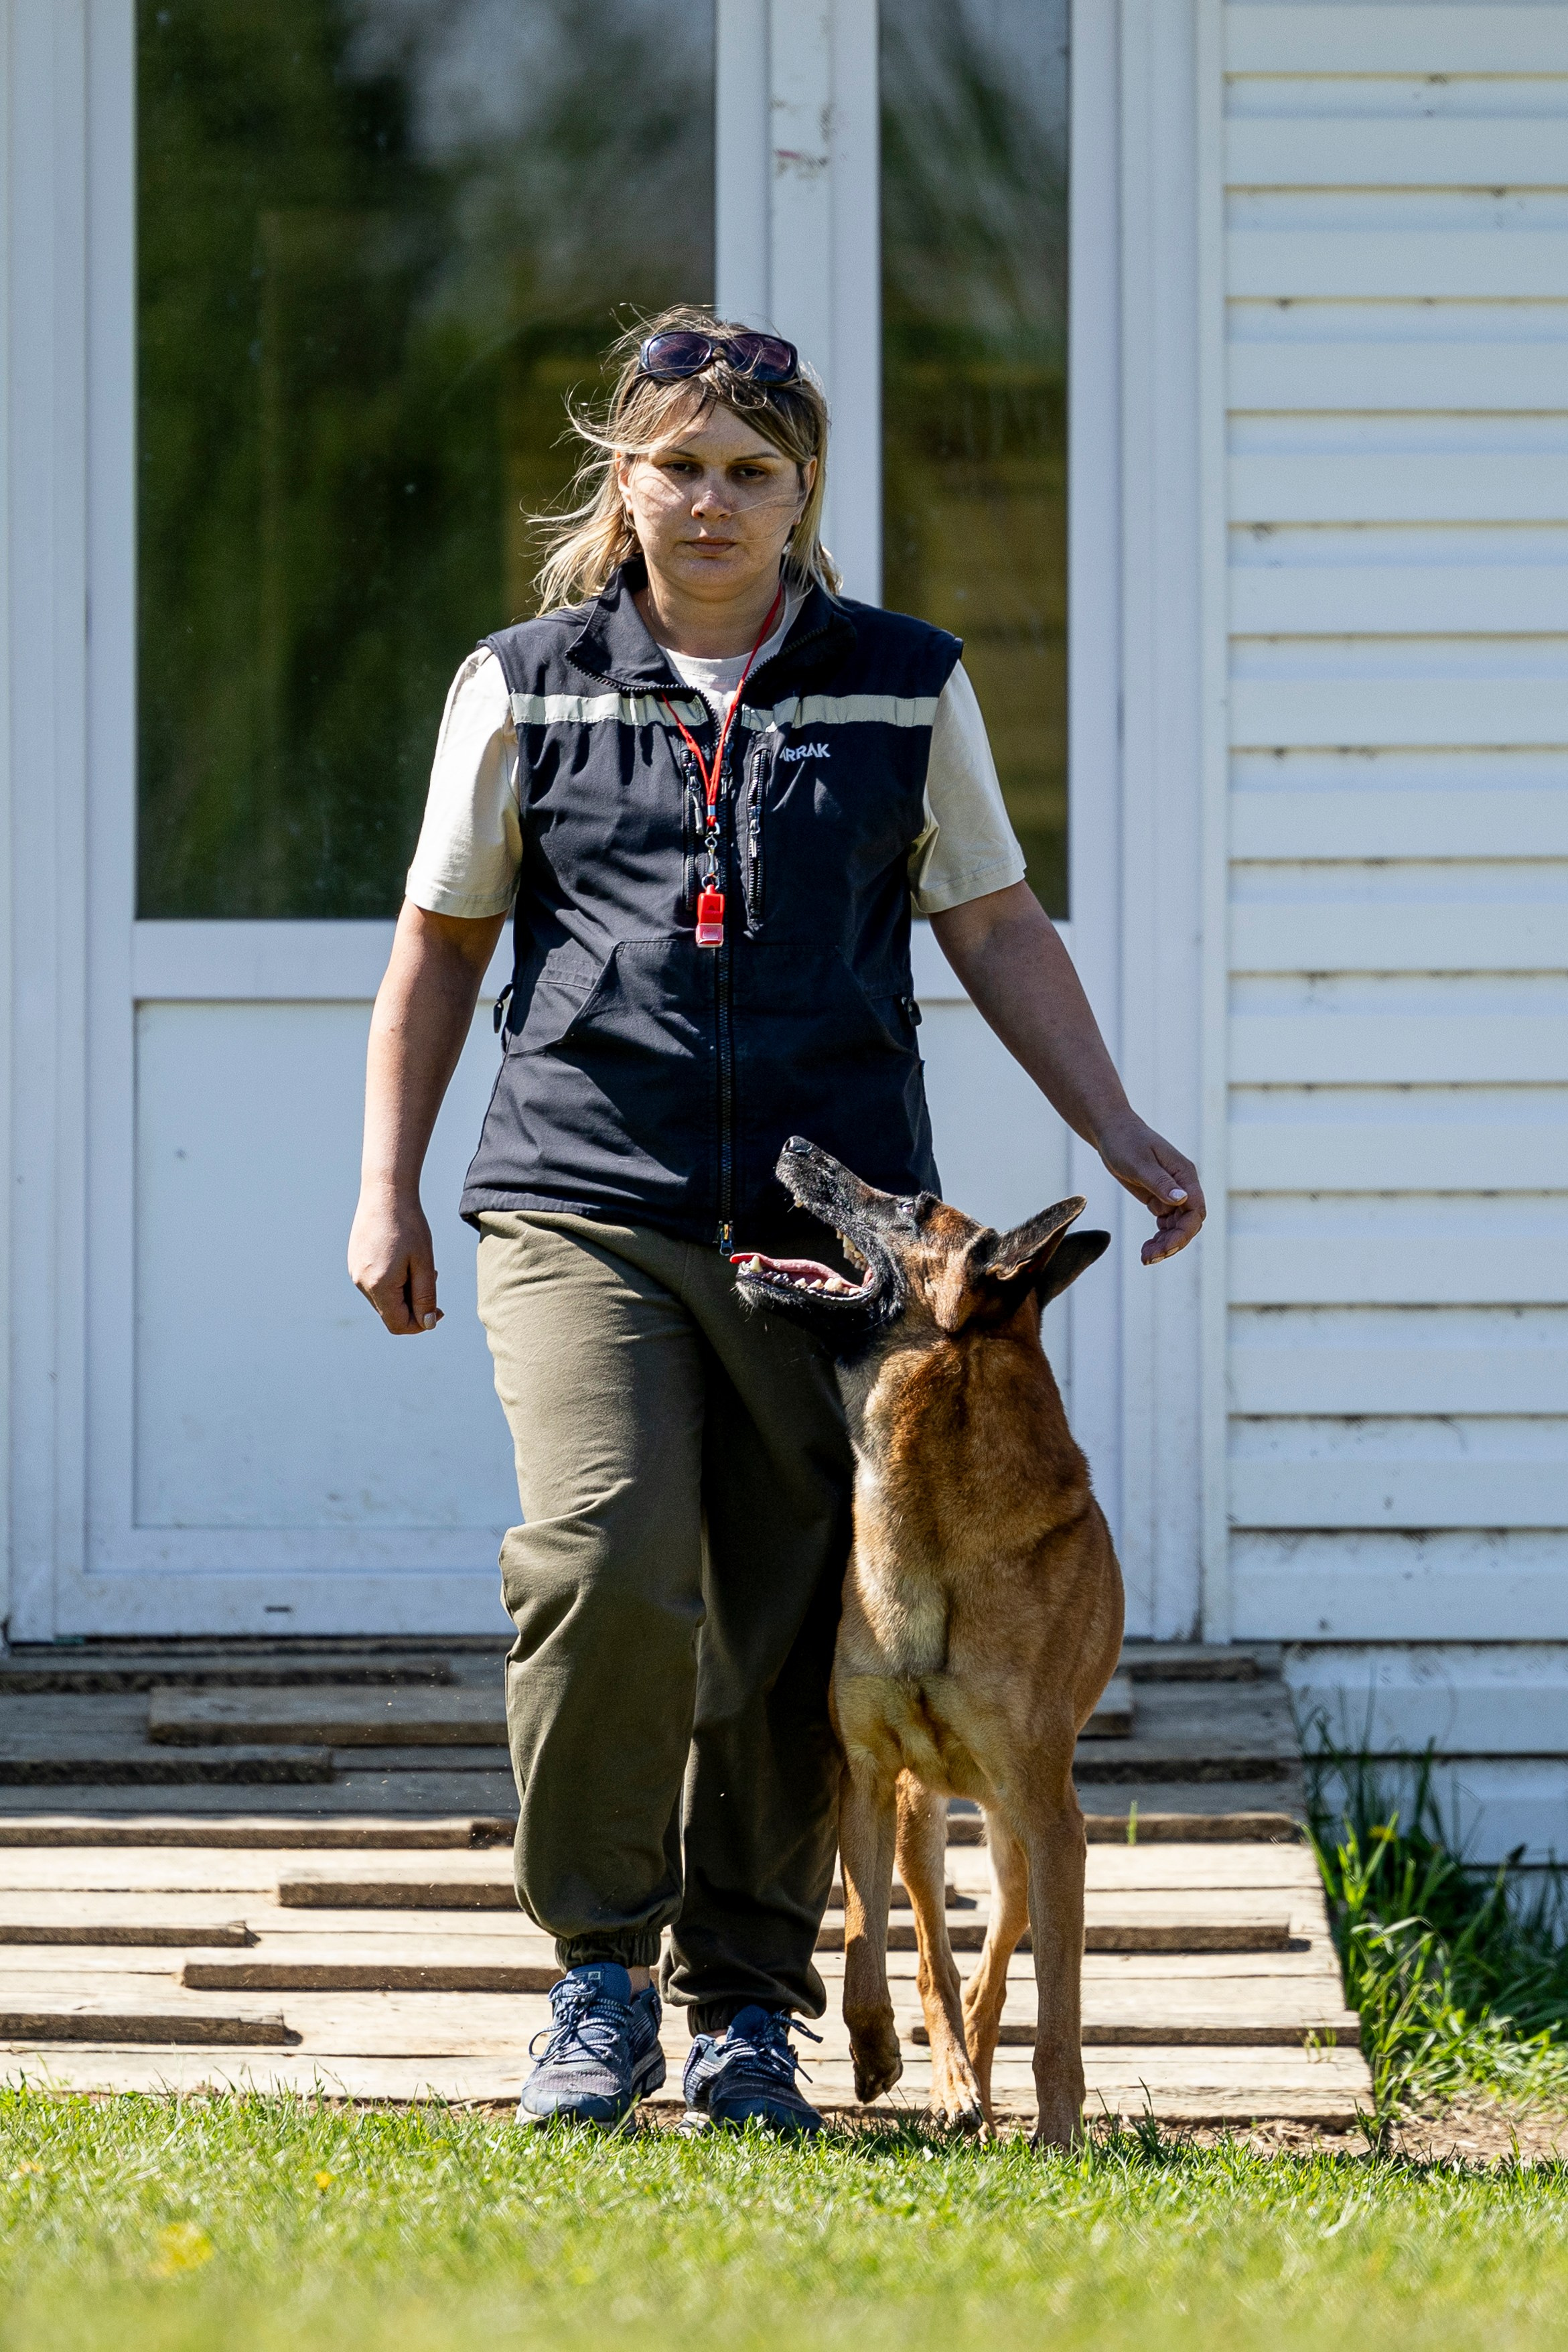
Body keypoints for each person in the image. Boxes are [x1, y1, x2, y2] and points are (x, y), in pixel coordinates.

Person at [348, 307, 1204, 2136]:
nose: (713, 502)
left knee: (785, 1599)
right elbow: (440, 941)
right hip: (584, 1188)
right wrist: (384, 1183)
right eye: (679, 468)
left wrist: (1116, 1129)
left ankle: (746, 2001)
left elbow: (994, 922)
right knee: (603, 1554)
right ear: (623, 480)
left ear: (804, 491)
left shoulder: (905, 683)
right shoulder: (524, 682)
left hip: (830, 1237)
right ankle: (596, 1977)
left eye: (752, 471)